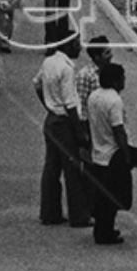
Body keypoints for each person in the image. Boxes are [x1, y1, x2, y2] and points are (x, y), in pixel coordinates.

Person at [35, 37, 91, 228]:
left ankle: (49, 212)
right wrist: (79, 132)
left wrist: (48, 105)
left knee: (51, 167)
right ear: (66, 45)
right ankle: (79, 215)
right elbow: (70, 103)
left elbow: (37, 84)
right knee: (73, 169)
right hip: (64, 123)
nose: (79, 47)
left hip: (51, 119)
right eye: (76, 44)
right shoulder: (67, 69)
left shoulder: (48, 62)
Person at [85, 63, 132, 245]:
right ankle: (106, 232)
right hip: (112, 155)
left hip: (98, 152)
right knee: (112, 198)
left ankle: (101, 229)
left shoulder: (94, 96)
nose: (124, 81)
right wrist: (127, 154)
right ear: (114, 80)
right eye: (122, 78)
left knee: (101, 196)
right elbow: (118, 129)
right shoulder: (114, 101)